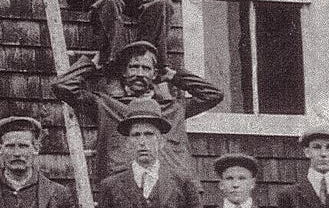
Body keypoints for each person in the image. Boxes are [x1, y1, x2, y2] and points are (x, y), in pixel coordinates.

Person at [53, 41, 223, 183]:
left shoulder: (173, 108)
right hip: (123, 185)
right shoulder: (106, 106)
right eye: (134, 67)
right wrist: (91, 65)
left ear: (155, 73)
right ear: (123, 72)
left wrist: (173, 75)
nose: (140, 74)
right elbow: (63, 87)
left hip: (172, 186)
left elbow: (213, 95)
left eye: (146, 68)